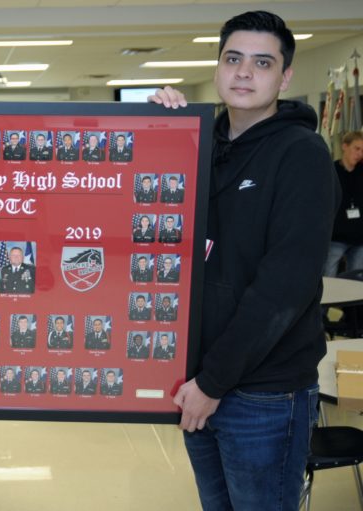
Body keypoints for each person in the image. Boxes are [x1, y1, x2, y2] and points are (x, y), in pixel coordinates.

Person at [150, 11, 339, 510]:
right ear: (217, 66)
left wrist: (214, 382)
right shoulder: (201, 146)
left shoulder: (302, 155)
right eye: (233, 59)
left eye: (262, 62)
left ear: (285, 76)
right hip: (197, 385)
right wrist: (159, 128)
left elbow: (285, 287)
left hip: (263, 395)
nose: (244, 73)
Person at [325, 131, 363, 276]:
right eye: (357, 148)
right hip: (336, 236)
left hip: (359, 237)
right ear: (344, 146)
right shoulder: (331, 170)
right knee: (329, 275)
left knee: (357, 279)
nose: (360, 153)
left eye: (362, 150)